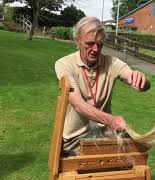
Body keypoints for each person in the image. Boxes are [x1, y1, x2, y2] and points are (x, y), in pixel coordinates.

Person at [54, 16, 150, 155]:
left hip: (106, 136)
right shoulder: (64, 64)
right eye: (90, 43)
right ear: (77, 41)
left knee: (136, 163)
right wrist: (111, 120)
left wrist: (142, 80)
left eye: (100, 44)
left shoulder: (112, 63)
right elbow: (78, 104)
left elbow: (138, 82)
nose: (95, 49)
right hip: (74, 141)